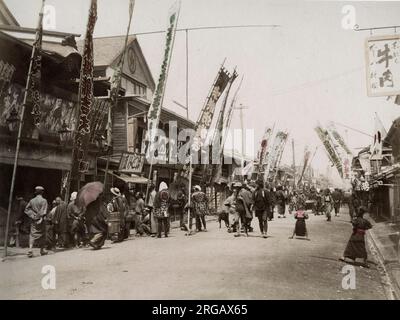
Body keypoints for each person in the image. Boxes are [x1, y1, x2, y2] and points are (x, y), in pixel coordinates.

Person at [24, 186, 48, 257]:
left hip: (34, 220)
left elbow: (26, 209)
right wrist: (41, 218)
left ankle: (30, 250)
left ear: (36, 192)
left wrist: (33, 215)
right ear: (42, 192)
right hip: (41, 220)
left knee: (32, 235)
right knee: (43, 235)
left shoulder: (32, 200)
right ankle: (42, 250)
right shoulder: (44, 201)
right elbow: (44, 211)